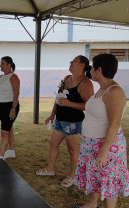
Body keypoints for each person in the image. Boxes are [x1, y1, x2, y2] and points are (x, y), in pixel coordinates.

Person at [73, 54, 129, 208]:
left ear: (98, 70)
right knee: (95, 175)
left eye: (91, 67)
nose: (89, 70)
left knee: (108, 180)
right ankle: (92, 204)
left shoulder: (114, 91)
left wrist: (104, 151)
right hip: (91, 143)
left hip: (106, 145)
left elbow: (115, 123)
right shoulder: (102, 89)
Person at [36, 55, 94, 187]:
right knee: (53, 144)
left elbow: (89, 106)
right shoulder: (67, 78)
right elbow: (58, 98)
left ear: (82, 65)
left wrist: (69, 103)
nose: (70, 62)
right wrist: (52, 115)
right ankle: (50, 169)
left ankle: (72, 176)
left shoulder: (85, 83)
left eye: (74, 61)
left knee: (72, 150)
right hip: (59, 120)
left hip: (73, 122)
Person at [0, 56, 20, 160]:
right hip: (2, 106)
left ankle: (1, 155)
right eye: (0, 63)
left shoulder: (14, 77)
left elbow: (16, 95)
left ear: (9, 65)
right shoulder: (1, 77)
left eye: (3, 63)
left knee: (4, 131)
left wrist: (13, 109)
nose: (0, 65)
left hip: (11, 105)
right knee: (9, 128)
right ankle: (11, 151)